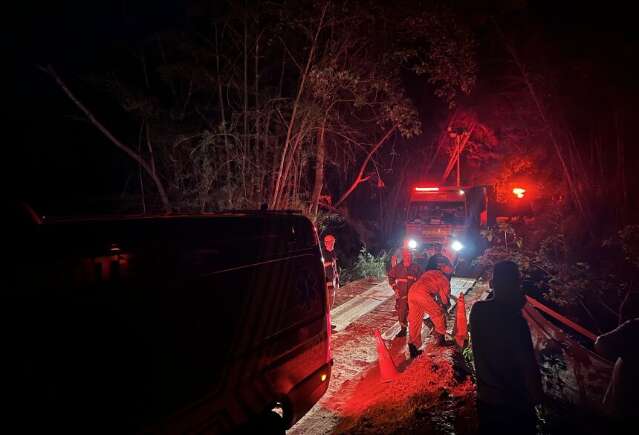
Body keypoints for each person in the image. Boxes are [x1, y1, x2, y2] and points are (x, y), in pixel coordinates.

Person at [469, 261, 542, 435]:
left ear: (492, 284)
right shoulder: (516, 321)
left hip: (486, 399)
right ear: (518, 285)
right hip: (513, 403)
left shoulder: (478, 311)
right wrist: (537, 398)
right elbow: (528, 365)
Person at [594, 291, 639, 421]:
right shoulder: (635, 326)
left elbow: (601, 344)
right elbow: (601, 344)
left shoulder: (635, 326)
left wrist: (624, 358)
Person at [407, 255, 453, 357]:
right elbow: (444, 299)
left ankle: (413, 347)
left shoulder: (428, 273)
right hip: (423, 294)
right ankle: (441, 340)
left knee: (415, 321)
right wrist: (445, 307)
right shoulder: (443, 278)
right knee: (438, 314)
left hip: (412, 291)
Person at [388, 249, 422, 338]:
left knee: (414, 313)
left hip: (413, 296)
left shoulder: (416, 268)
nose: (409, 258)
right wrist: (395, 288)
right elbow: (391, 277)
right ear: (403, 257)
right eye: (407, 257)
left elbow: (421, 280)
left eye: (411, 257)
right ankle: (403, 330)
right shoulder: (397, 268)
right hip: (401, 295)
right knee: (401, 313)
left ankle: (414, 332)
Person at [323, 234, 339, 309]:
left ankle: (329, 313)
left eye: (333, 242)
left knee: (332, 297)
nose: (333, 243)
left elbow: (335, 265)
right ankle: (327, 315)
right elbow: (321, 265)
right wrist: (330, 263)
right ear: (326, 243)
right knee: (328, 298)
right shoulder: (323, 253)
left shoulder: (333, 251)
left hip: (333, 278)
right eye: (332, 242)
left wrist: (337, 278)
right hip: (327, 279)